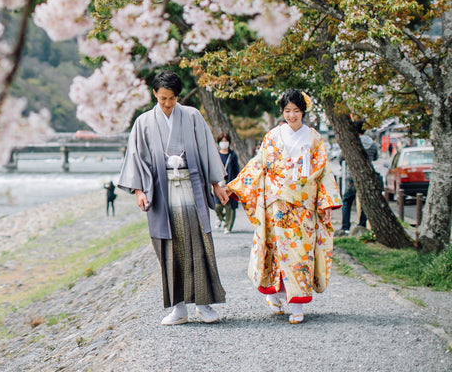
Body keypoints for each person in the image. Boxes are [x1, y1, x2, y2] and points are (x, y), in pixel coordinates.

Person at [117, 70, 229, 325]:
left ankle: (203, 304)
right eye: (163, 98)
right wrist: (138, 191)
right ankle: (178, 308)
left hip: (191, 188)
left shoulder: (192, 116)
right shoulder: (143, 122)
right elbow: (136, 157)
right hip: (161, 193)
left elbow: (207, 150)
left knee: (199, 242)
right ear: (154, 94)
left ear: (178, 96)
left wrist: (217, 184)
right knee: (167, 247)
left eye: (172, 98)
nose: (168, 103)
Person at [226, 89, 341, 324]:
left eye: (296, 111)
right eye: (287, 111)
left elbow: (324, 172)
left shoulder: (314, 138)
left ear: (303, 112)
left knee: (300, 253)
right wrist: (236, 186)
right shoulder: (273, 136)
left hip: (304, 205)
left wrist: (326, 203)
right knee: (277, 252)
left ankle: (297, 304)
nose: (291, 115)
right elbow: (258, 164)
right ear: (282, 111)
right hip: (277, 203)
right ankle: (276, 295)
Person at [340, 120, 379, 233]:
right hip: (367, 176)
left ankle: (345, 227)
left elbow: (341, 157)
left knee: (347, 200)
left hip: (351, 175)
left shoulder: (351, 143)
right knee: (365, 201)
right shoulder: (372, 144)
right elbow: (376, 157)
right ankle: (362, 225)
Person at [213, 133, 239, 234]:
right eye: (222, 141)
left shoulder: (232, 155)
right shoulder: (215, 155)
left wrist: (235, 183)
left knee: (230, 206)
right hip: (218, 182)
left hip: (230, 182)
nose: (224, 143)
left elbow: (236, 169)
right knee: (217, 206)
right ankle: (221, 218)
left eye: (225, 141)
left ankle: (228, 226)